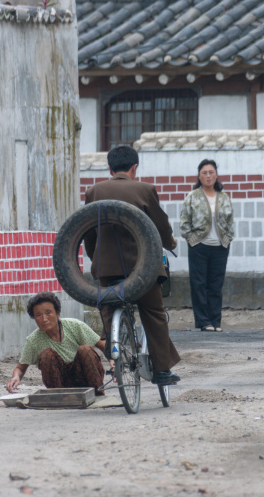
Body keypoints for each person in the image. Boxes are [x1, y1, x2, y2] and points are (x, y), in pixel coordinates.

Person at [83, 145, 181, 386]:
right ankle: (161, 370)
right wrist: (170, 242)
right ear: (134, 167)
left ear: (109, 168)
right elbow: (160, 226)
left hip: (107, 268)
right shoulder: (145, 190)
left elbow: (86, 231)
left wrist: (96, 258)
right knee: (154, 314)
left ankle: (114, 352)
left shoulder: (94, 191)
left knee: (107, 306)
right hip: (143, 269)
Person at [6, 291, 106, 395]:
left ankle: (98, 393)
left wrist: (114, 363)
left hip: (85, 378)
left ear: (58, 313)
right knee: (46, 355)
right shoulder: (33, 340)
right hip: (60, 385)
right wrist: (15, 377)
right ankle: (58, 396)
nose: (44, 319)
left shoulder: (75, 326)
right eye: (38, 315)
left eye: (48, 313)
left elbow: (103, 345)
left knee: (85, 349)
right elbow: (20, 368)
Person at [179, 159, 234, 333]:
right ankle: (203, 321)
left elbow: (230, 222)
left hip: (220, 246)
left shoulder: (224, 198)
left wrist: (228, 238)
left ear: (216, 175)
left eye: (211, 172)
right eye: (204, 173)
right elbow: (184, 221)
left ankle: (215, 321)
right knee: (199, 284)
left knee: (216, 284)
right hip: (199, 246)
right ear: (199, 176)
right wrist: (191, 239)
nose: (208, 176)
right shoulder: (192, 197)